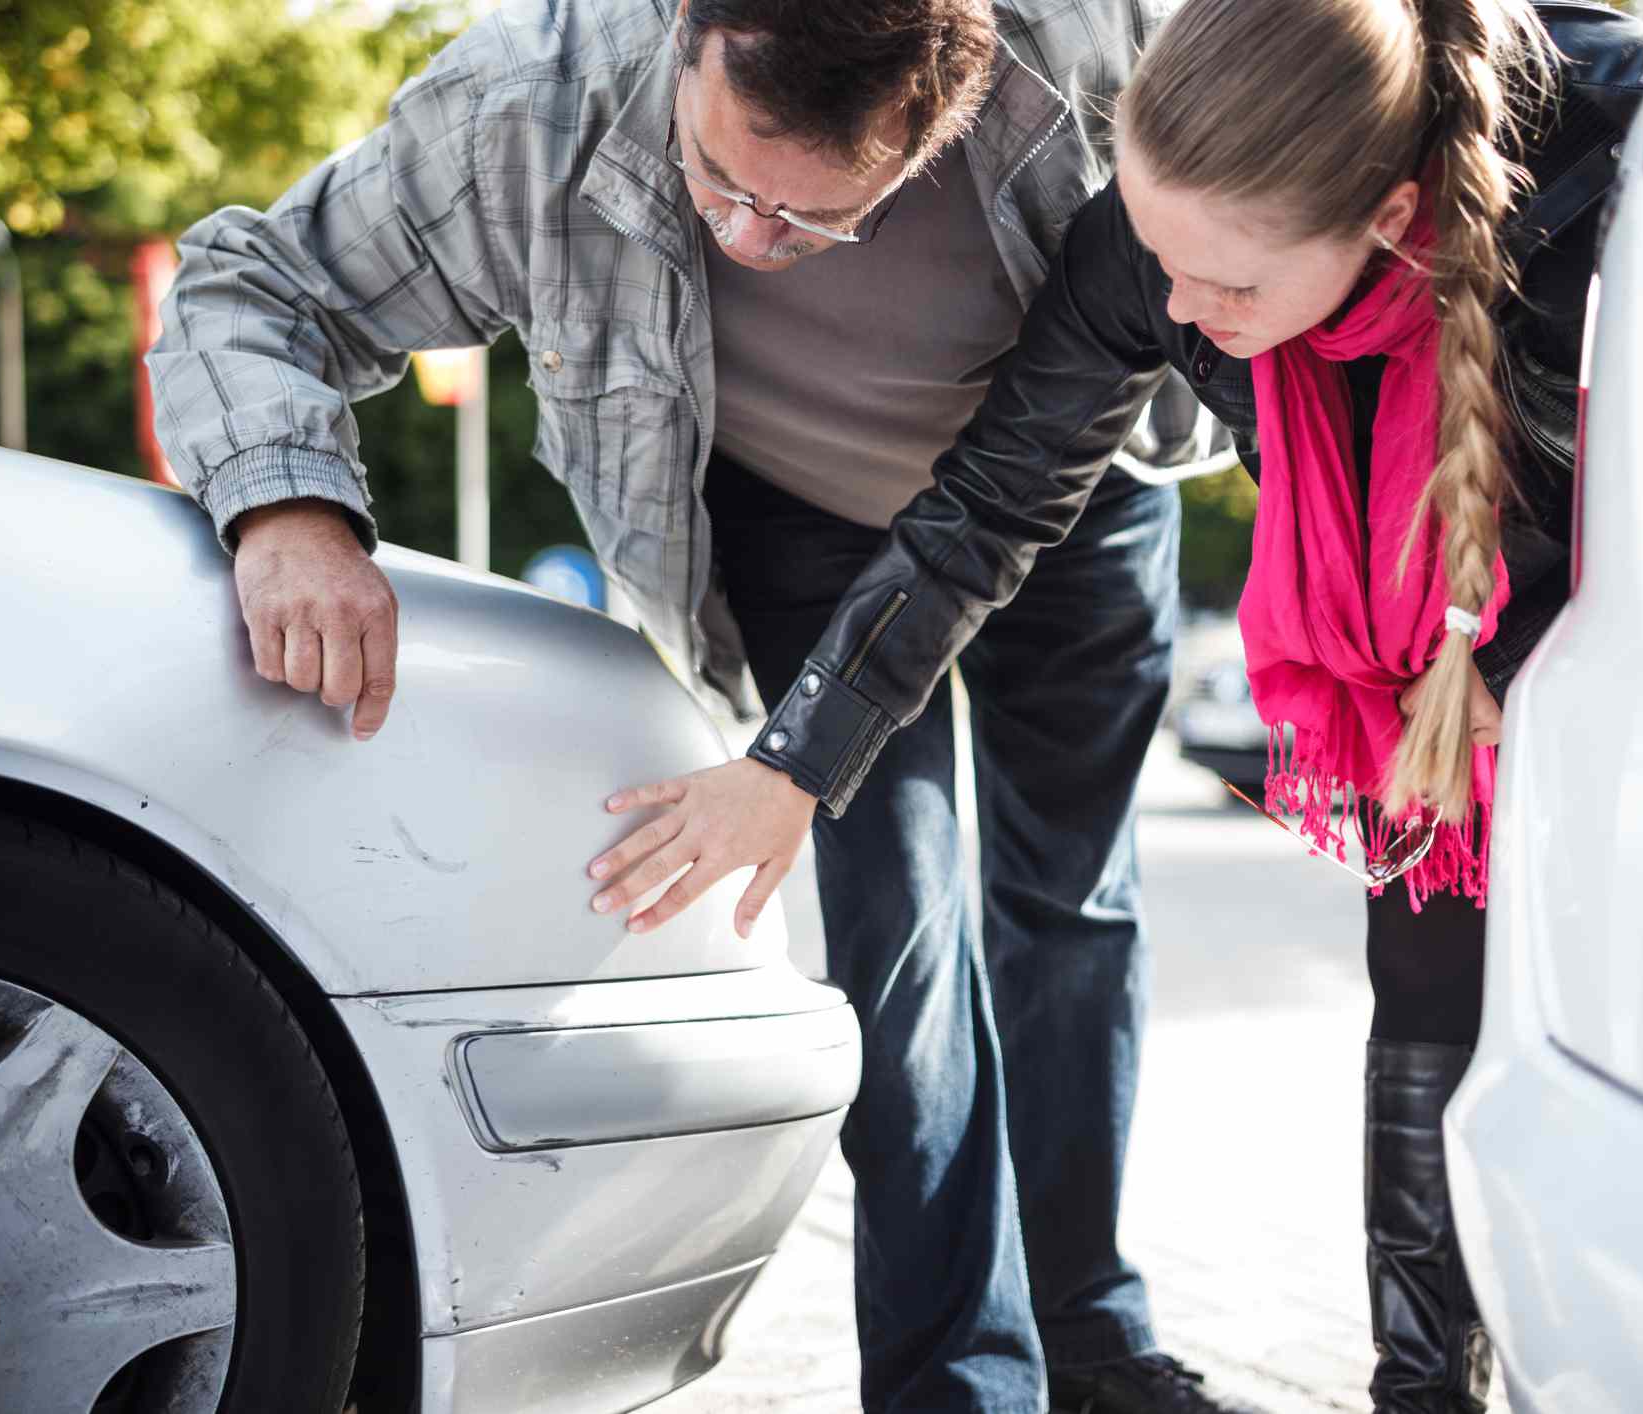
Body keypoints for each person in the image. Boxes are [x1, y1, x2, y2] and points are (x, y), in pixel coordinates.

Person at [145, 2, 1263, 1411]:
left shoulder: (1095, 56)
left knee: (1069, 907)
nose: (749, 239)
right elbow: (246, 283)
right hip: (807, 520)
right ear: (689, 37)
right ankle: (959, 1384)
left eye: (815, 221)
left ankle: (1091, 1335)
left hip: (1066, 494)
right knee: (897, 937)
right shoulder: (529, 100)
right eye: (722, 180)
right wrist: (287, 507)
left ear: (940, 112)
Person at [599, 0, 1643, 1408]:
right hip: (1413, 680)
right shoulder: (1151, 254)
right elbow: (985, 508)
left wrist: (1559, 682)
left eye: (1221, 285)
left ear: (1391, 217)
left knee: (1639, 1023)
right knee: (1422, 979)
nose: (1172, 313)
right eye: (1158, 258)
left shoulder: (1619, 182)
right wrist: (795, 757)